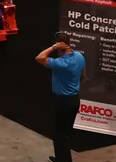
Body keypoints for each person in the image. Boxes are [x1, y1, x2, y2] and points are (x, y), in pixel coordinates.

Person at [35, 33, 86, 162]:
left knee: (59, 135)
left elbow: (39, 58)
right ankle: (61, 158)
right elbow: (83, 75)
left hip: (63, 102)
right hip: (74, 99)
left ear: (59, 45)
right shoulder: (80, 56)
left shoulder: (61, 63)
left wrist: (53, 47)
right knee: (66, 133)